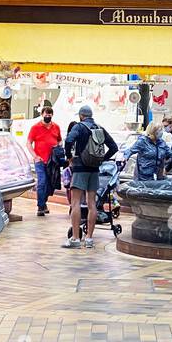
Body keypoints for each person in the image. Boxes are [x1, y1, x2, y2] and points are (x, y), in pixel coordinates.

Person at [63, 103, 118, 248]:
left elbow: (68, 140)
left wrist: (69, 156)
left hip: (80, 168)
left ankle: (75, 238)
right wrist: (103, 159)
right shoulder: (99, 128)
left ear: (81, 116)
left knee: (75, 203)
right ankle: (89, 238)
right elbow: (114, 147)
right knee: (92, 203)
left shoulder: (79, 127)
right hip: (94, 169)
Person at [27, 102, 62, 217]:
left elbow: (59, 140)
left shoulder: (56, 127)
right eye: (46, 115)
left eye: (50, 116)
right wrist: (35, 156)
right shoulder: (35, 128)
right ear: (42, 115)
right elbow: (28, 143)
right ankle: (40, 206)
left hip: (52, 162)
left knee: (50, 184)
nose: (48, 117)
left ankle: (44, 203)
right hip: (40, 161)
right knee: (42, 182)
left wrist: (58, 148)